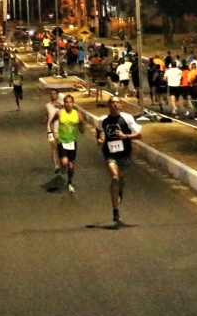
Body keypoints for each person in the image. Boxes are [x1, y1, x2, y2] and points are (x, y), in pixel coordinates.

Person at [96, 96, 143, 224]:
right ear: (109, 105)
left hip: (125, 153)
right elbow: (99, 131)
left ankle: (120, 189)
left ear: (121, 105)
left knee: (122, 179)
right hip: (109, 153)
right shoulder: (103, 120)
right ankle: (115, 211)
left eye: (117, 102)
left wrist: (125, 136)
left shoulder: (127, 118)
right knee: (114, 178)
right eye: (113, 102)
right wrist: (100, 139)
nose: (115, 104)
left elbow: (139, 135)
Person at [50, 94, 86, 193]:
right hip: (62, 141)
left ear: (73, 103)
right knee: (65, 162)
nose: (68, 104)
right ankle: (62, 165)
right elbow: (51, 123)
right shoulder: (60, 113)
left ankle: (69, 182)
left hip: (72, 142)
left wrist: (82, 124)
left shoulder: (77, 114)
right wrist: (54, 134)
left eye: (70, 102)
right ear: (64, 103)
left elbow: (82, 131)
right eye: (66, 102)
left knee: (71, 166)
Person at [42, 89, 62, 176]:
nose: (53, 95)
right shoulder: (47, 105)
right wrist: (45, 119)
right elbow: (48, 113)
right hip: (50, 129)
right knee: (54, 146)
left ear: (57, 95)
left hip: (60, 129)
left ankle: (62, 164)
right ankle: (56, 166)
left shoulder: (62, 105)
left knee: (60, 148)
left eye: (54, 94)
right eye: (51, 94)